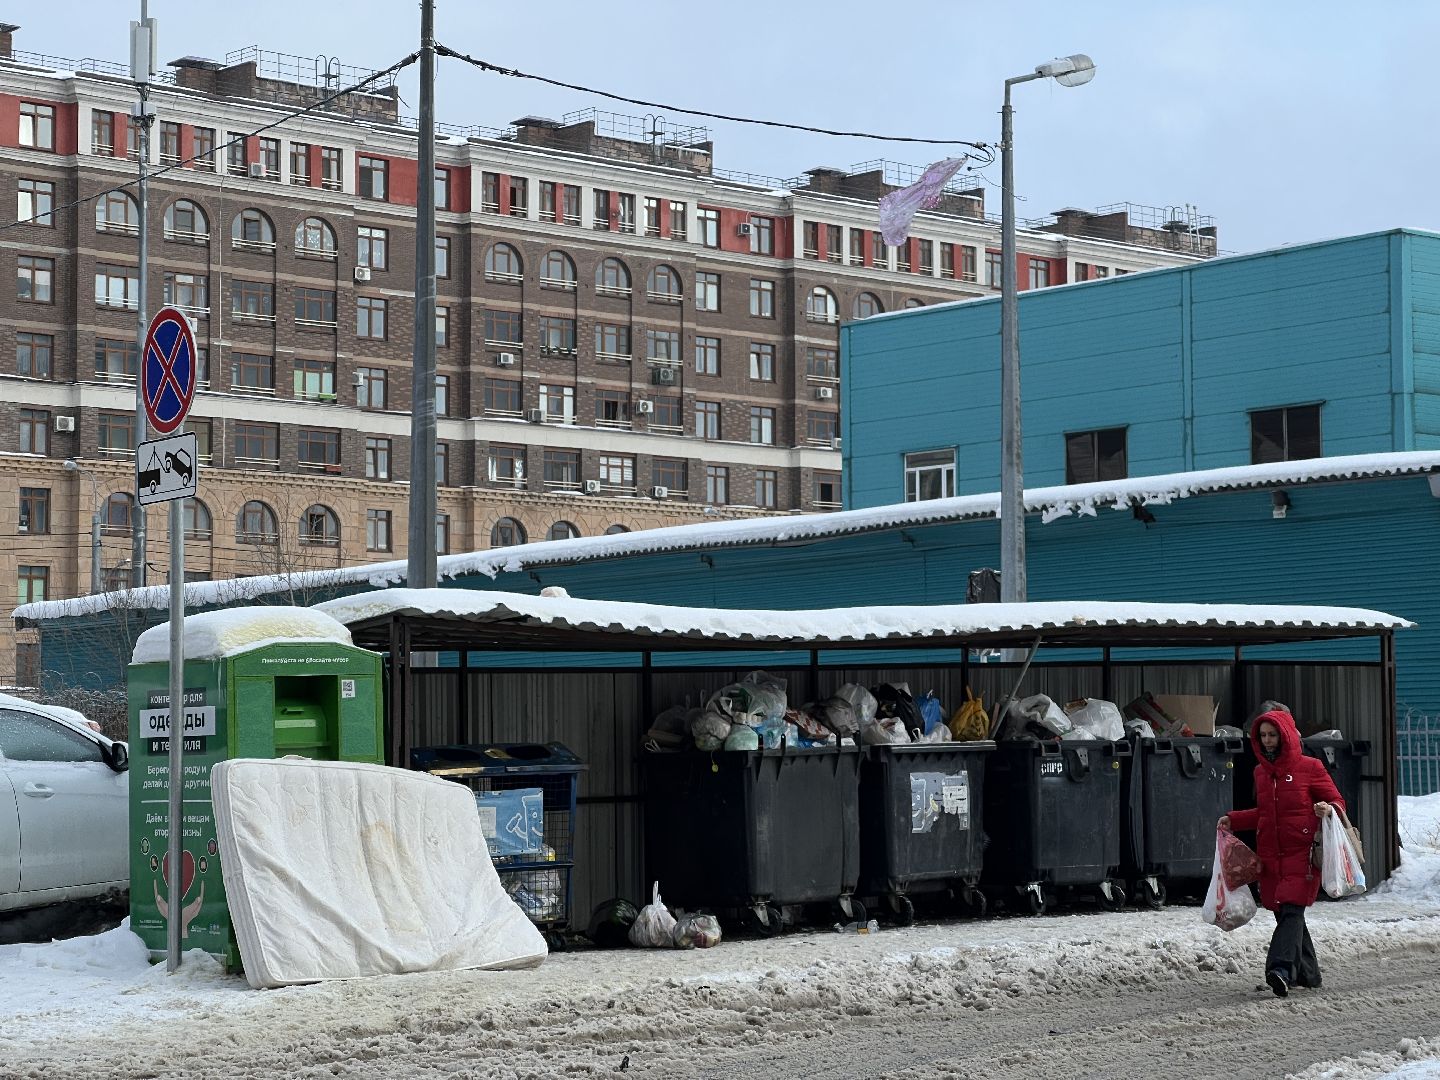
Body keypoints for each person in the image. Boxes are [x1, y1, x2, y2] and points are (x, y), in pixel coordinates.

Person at [1219, 708, 1343, 998]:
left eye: (1272, 735)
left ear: (1285, 735)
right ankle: (1309, 974)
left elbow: (1337, 801)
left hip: (1302, 853)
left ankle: (1280, 969)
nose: (1267, 741)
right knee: (1285, 913)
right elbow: (1264, 813)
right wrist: (1234, 820)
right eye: (1262, 736)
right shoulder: (1261, 772)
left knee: (1291, 908)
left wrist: (1327, 809)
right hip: (1271, 855)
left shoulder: (1310, 767)